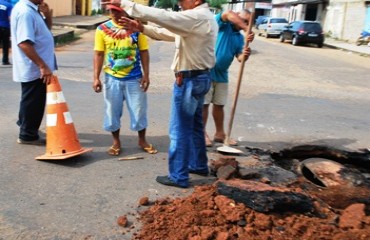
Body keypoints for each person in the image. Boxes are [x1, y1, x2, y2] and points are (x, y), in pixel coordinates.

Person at [104, 0, 218, 188]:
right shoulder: (203, 18)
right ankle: (198, 165)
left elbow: (165, 17)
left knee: (179, 130)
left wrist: (127, 5)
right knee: (196, 126)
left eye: (183, 0)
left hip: (189, 80)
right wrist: (141, 28)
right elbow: (170, 33)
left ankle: (178, 176)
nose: (180, 3)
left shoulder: (196, 16)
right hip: (201, 78)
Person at [93, 3, 157, 156]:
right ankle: (116, 142)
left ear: (124, 10)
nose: (113, 13)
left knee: (139, 110)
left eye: (116, 10)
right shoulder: (102, 29)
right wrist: (95, 77)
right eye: (111, 11)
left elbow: (144, 52)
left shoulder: (136, 28)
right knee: (112, 111)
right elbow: (99, 54)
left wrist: (146, 75)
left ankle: (142, 140)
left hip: (135, 78)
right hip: (111, 78)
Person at [203, 9, 254, 147]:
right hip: (206, 71)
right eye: (244, 21)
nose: (246, 24)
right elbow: (227, 13)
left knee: (219, 105)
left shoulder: (238, 37)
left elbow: (239, 58)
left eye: (249, 23)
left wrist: (245, 54)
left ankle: (220, 134)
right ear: (237, 16)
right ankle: (202, 133)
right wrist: (247, 29)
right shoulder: (221, 24)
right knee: (204, 105)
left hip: (222, 75)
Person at [11, 0, 56, 145]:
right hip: (34, 67)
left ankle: (24, 123)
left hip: (35, 66)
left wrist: (47, 15)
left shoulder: (33, 9)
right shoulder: (26, 12)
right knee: (34, 101)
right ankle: (27, 135)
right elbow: (24, 43)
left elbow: (46, 31)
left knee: (29, 98)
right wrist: (42, 66)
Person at [0, 0, 12, 65]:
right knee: (5, 44)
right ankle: (5, 60)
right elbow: (10, 17)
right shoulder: (8, 5)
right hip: (5, 27)